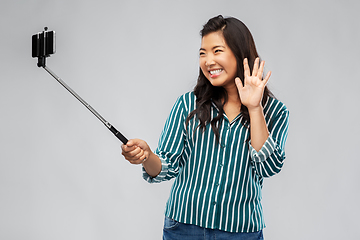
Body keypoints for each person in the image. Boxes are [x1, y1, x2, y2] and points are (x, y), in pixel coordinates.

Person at [122, 15, 289, 240]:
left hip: (240, 232)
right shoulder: (187, 105)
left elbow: (268, 167)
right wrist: (147, 155)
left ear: (240, 53)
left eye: (217, 51)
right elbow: (166, 166)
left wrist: (254, 108)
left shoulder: (274, 112)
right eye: (203, 53)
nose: (208, 61)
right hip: (183, 227)